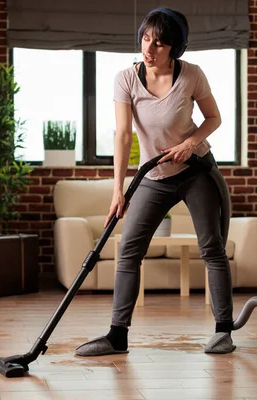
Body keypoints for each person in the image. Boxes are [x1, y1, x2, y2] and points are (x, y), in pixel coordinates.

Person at [74, 7, 236, 356]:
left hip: (196, 171)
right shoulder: (126, 79)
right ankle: (117, 336)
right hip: (153, 176)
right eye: (146, 38)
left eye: (159, 43)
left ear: (174, 48)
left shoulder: (192, 75)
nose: (149, 48)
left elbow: (213, 118)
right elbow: (123, 135)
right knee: (129, 250)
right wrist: (118, 190)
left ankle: (224, 331)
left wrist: (191, 143)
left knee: (212, 248)